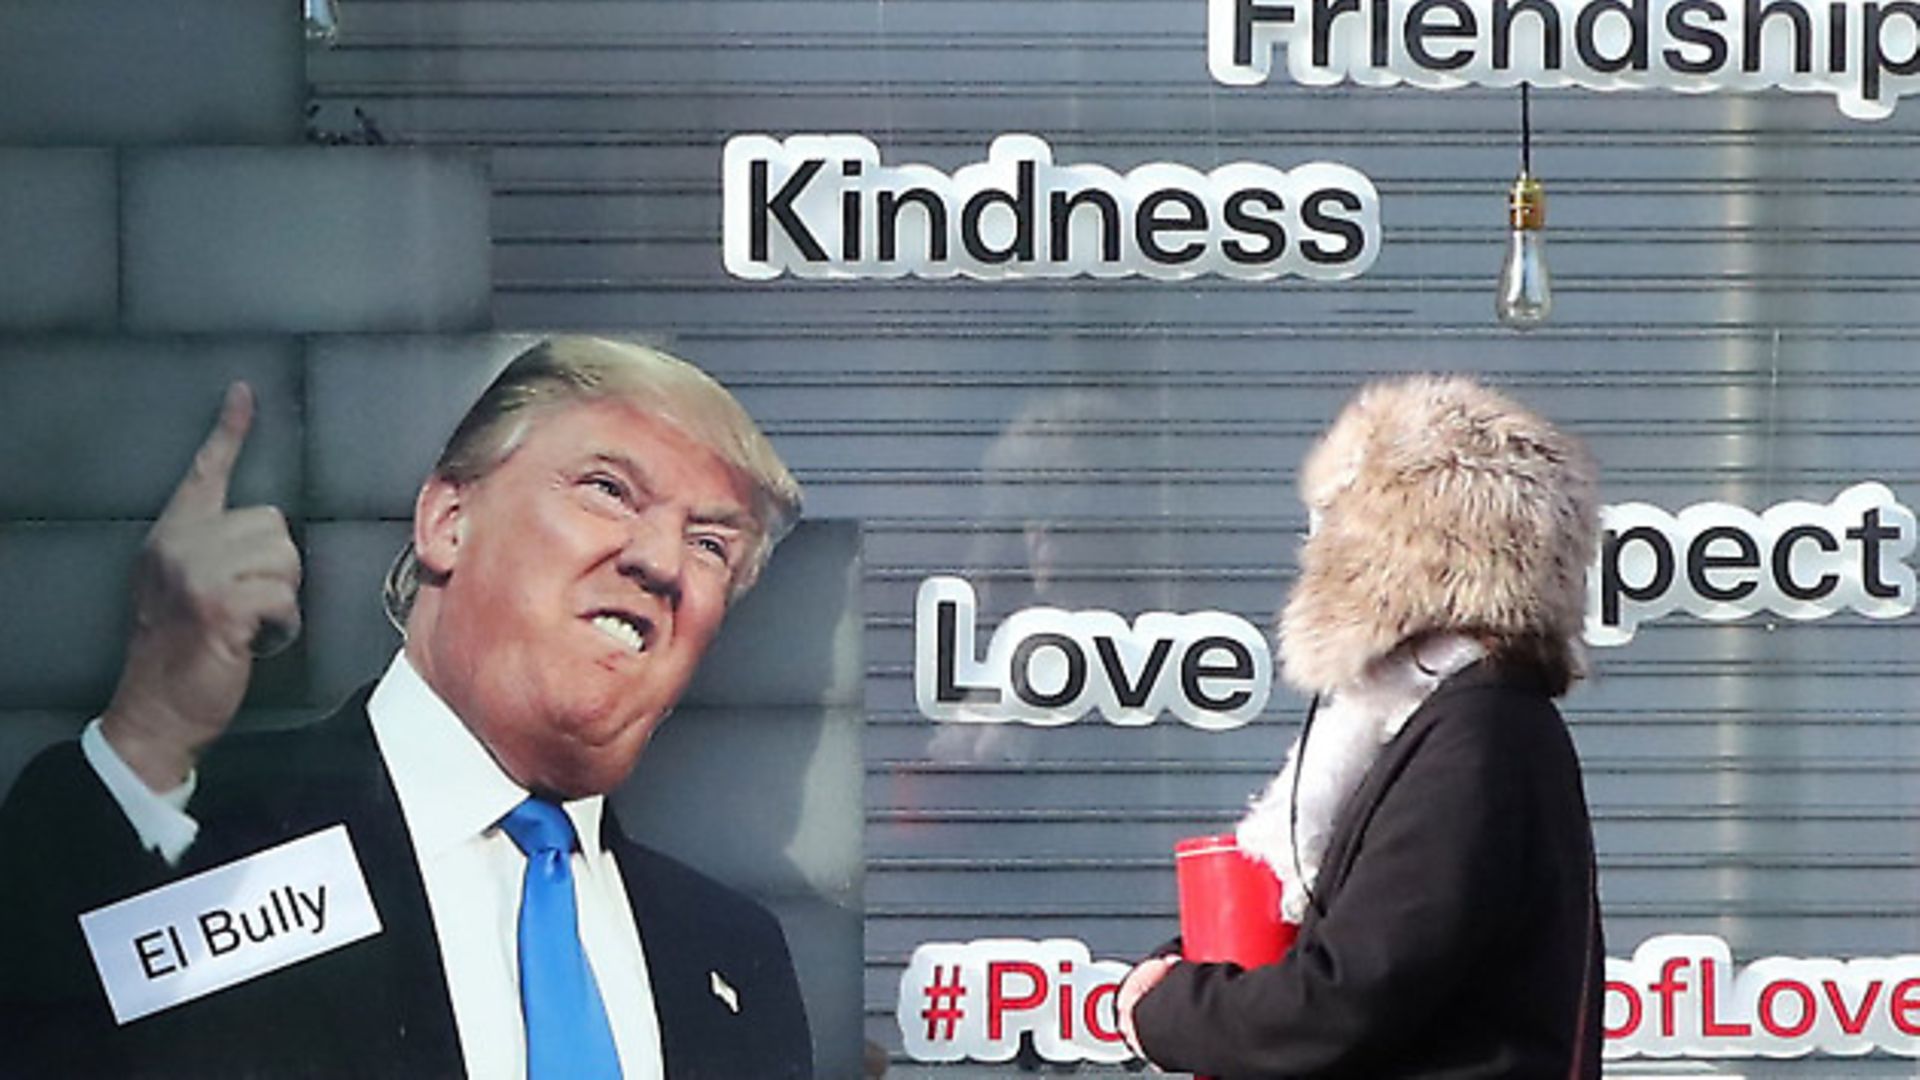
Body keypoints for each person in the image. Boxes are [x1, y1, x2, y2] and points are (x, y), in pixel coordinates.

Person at [0, 336, 815, 1078]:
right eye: (608, 489)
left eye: (712, 544)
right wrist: (151, 730)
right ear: (448, 522)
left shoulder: (730, 956)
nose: (661, 560)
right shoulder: (211, 837)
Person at [1116, 374, 1605, 1078]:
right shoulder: (1452, 722)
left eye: (1338, 525)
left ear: (1396, 553)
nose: (1317, 553)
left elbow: (1348, 998)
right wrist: (1195, 975)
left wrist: (1166, 1012)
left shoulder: (1477, 737)